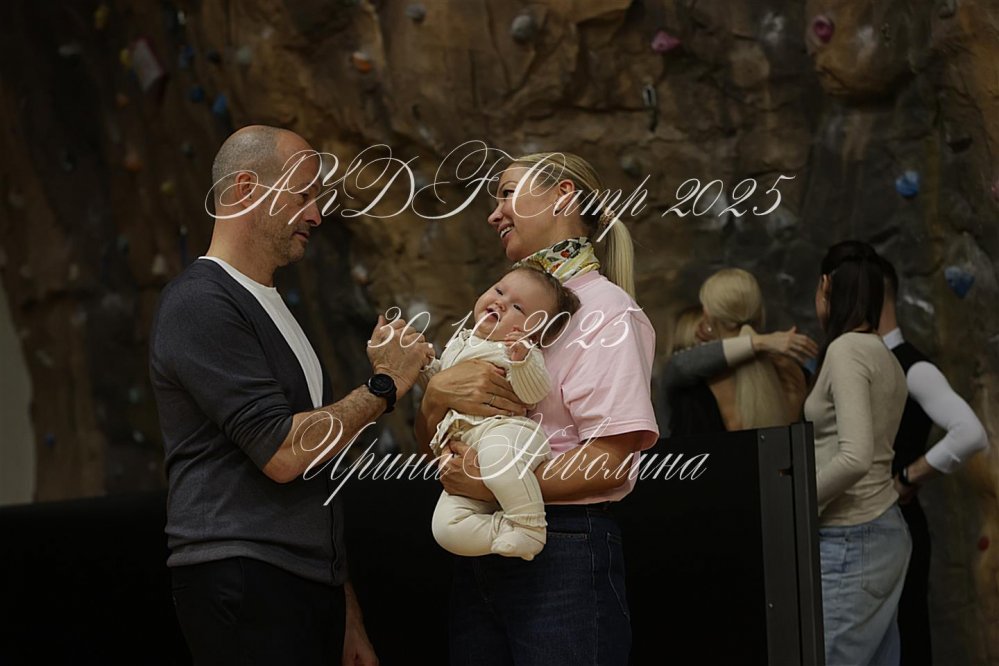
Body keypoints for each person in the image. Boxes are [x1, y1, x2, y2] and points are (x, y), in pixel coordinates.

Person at [149, 125, 433, 665]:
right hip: (244, 574)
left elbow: (313, 479)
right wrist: (385, 385)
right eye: (303, 195)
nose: (317, 215)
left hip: (300, 579)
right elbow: (282, 453)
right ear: (246, 189)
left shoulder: (271, 303)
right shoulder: (200, 302)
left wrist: (345, 610)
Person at [416, 152, 659, 665]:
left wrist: (491, 483)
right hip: (480, 541)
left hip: (564, 548)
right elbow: (437, 447)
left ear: (562, 195)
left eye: (507, 193)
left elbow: (610, 461)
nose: (494, 213)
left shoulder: (609, 312)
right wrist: (433, 398)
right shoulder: (496, 309)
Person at [423, 264, 580, 561]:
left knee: (499, 458)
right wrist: (427, 367)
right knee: (445, 528)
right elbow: (444, 388)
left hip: (508, 434)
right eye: (499, 290)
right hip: (469, 447)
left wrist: (521, 360)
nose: (501, 302)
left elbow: (534, 393)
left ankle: (531, 527)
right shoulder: (462, 341)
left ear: (533, 332)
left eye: (518, 307)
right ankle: (506, 528)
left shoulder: (520, 351)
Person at [877, 255, 988, 666]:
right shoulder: (860, 360)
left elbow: (970, 432)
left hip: (900, 523)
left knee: (907, 637)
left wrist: (907, 477)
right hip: (872, 529)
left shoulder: (912, 365)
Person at [805, 240, 910, 666]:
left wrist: (795, 503)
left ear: (825, 286)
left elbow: (855, 457)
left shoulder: (846, 350)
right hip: (879, 530)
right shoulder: (883, 353)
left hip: (853, 535)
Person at [660, 269, 819, 438]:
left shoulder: (691, 387)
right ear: (760, 313)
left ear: (707, 316)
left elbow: (677, 366)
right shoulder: (791, 374)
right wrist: (762, 342)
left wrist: (759, 343)